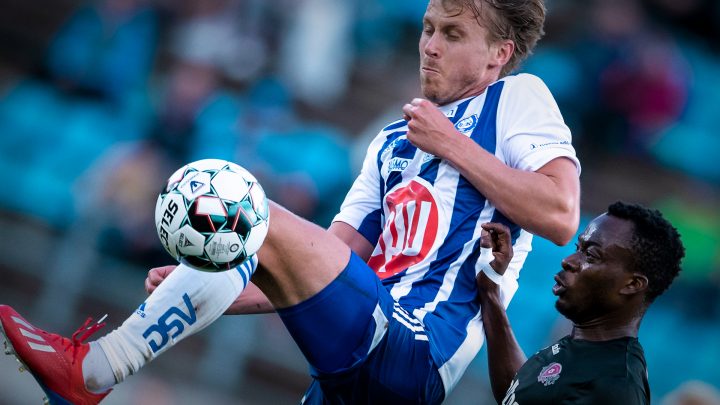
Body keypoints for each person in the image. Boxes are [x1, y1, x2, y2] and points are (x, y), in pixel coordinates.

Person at [0, 0, 582, 403]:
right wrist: (212, 291)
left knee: (241, 201)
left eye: (452, 34)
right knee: (250, 239)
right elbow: (324, 261)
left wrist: (451, 144)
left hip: (414, 351)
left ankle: (94, 370)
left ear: (498, 54)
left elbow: (561, 216)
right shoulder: (390, 141)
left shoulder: (517, 98)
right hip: (350, 367)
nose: (429, 46)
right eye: (428, 28)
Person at [476, 201, 684, 404]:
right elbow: (520, 392)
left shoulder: (616, 387)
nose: (568, 261)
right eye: (578, 247)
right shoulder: (585, 348)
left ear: (632, 284)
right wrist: (491, 291)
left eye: (591, 255)